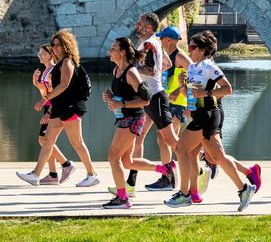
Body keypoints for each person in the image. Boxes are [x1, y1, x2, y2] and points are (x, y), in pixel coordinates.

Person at [163, 31, 258, 211]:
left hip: (209, 114)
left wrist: (206, 93)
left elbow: (227, 89)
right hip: (198, 114)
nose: (189, 50)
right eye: (188, 46)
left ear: (204, 50)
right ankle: (245, 189)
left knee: (181, 149)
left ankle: (185, 194)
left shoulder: (208, 66)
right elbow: (190, 95)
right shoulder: (192, 67)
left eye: (192, 47)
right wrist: (183, 85)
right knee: (217, 156)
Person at [17, 30, 101, 187]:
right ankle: (35, 175)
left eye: (58, 45)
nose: (55, 48)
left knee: (77, 142)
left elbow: (64, 85)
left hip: (71, 106)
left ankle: (92, 174)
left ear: (66, 45)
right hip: (59, 107)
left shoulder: (67, 62)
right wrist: (48, 106)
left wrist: (45, 100)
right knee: (47, 140)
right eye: (53, 45)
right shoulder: (60, 62)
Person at [100, 37, 175, 209]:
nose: (110, 51)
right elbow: (124, 96)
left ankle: (122, 198)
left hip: (133, 119)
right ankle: (165, 170)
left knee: (113, 157)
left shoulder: (131, 72)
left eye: (113, 48)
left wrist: (122, 104)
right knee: (127, 162)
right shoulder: (116, 71)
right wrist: (111, 97)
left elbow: (146, 99)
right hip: (124, 117)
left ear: (122, 52)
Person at [132, 12, 179, 194]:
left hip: (155, 98)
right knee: (137, 138)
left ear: (149, 28)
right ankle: (131, 183)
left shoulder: (149, 43)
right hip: (149, 97)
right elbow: (165, 64)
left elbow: (151, 70)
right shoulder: (152, 43)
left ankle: (197, 167)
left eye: (140, 23)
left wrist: (132, 66)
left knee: (170, 140)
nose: (137, 25)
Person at [32, 44, 72, 185]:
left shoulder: (53, 70)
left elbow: (56, 94)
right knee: (45, 140)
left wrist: (49, 112)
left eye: (43, 53)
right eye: (39, 53)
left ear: (50, 54)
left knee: (44, 139)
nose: (40, 55)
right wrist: (37, 85)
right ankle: (53, 174)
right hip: (49, 106)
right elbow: (46, 93)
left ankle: (66, 164)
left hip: (53, 107)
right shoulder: (46, 70)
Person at [158, 27, 191, 141]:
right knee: (168, 138)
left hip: (178, 102)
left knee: (164, 138)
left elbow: (196, 75)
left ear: (169, 40)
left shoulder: (180, 56)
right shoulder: (167, 56)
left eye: (161, 38)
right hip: (167, 100)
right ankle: (187, 156)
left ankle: (198, 154)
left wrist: (178, 90)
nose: (160, 41)